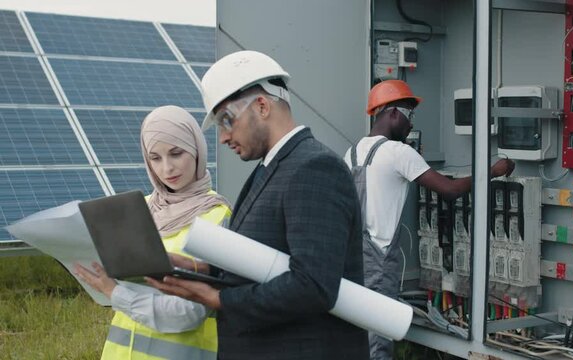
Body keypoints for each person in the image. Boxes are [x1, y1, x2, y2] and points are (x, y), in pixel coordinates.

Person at [146, 50, 369, 360]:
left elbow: (313, 286)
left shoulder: (314, 168)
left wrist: (219, 299)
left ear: (262, 106)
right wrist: (199, 267)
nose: (222, 137)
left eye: (226, 121)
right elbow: (267, 257)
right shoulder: (273, 168)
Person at [344, 79, 515, 360]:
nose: (411, 124)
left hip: (352, 260)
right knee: (377, 343)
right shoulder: (399, 152)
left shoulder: (351, 153)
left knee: (356, 339)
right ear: (393, 113)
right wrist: (493, 171)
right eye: (410, 115)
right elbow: (448, 191)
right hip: (379, 264)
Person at [74, 105, 231, 360]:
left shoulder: (216, 215)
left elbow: (190, 312)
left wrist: (116, 294)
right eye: (155, 158)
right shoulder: (140, 208)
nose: (167, 168)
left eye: (176, 153)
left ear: (196, 149)